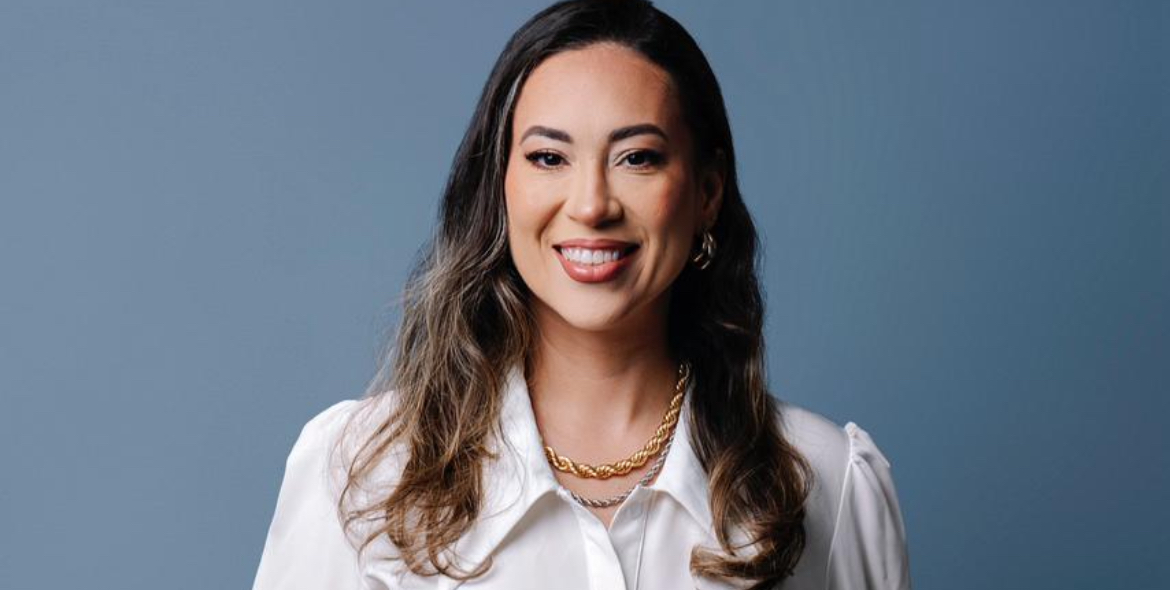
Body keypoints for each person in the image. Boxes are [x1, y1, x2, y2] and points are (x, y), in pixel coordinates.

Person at [251, 1, 911, 588]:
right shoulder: (361, 473)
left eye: (638, 157)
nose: (592, 205)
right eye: (548, 158)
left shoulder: (826, 482)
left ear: (707, 193)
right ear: (500, 187)